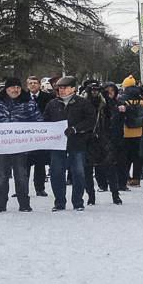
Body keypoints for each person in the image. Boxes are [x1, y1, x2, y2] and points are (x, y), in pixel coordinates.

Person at [0, 77, 44, 212]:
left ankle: (24, 204)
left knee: (22, 176)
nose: (15, 90)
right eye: (12, 87)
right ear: (6, 89)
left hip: (21, 147)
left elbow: (38, 122)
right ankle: (1, 204)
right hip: (1, 147)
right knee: (1, 176)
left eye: (18, 87)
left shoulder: (29, 103)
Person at [43, 76, 95, 211]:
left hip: (77, 143)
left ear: (73, 89)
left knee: (78, 173)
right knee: (56, 173)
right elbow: (45, 120)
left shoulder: (83, 103)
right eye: (60, 88)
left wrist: (76, 129)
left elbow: (90, 120)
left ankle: (78, 202)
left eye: (64, 88)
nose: (61, 90)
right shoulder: (52, 104)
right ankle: (59, 202)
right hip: (57, 145)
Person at [24, 75, 54, 197]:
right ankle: (22, 189)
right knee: (24, 164)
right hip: (25, 136)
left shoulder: (48, 98)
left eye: (35, 83)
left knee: (40, 163)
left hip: (41, 135)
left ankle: (40, 188)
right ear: (27, 85)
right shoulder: (22, 98)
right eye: (30, 83)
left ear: (40, 85)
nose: (33, 85)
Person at [117, 77, 143, 188]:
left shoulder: (122, 98)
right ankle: (136, 178)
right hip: (139, 131)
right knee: (137, 157)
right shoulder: (141, 99)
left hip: (126, 131)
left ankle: (125, 177)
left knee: (125, 157)